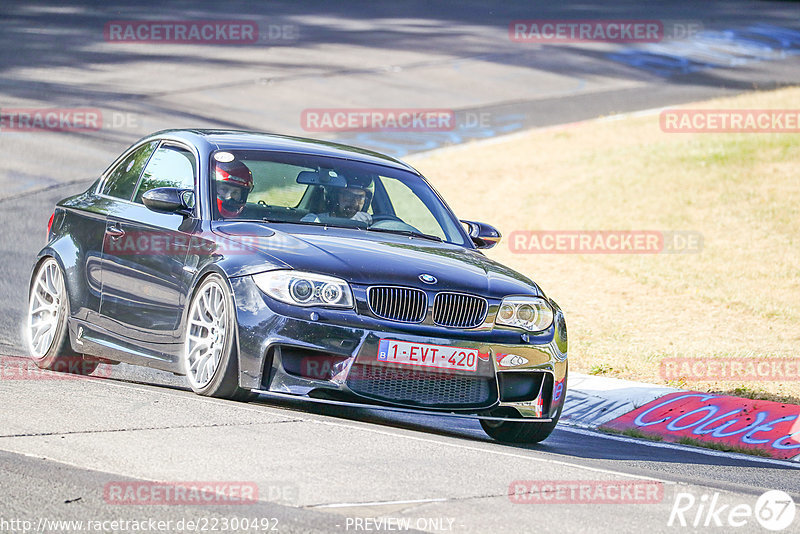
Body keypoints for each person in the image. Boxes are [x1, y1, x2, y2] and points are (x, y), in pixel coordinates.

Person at [302, 178, 373, 224]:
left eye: (360, 197)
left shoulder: (366, 224)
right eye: (348, 196)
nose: (354, 202)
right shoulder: (314, 220)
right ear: (334, 197)